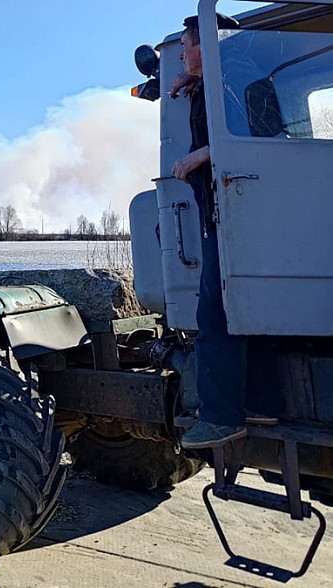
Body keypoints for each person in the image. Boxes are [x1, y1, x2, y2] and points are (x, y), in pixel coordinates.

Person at [170, 15, 259, 450]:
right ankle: (254, 403)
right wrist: (196, 74)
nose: (182, 55)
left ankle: (222, 418)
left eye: (187, 47)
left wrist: (199, 156)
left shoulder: (235, 83)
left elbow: (262, 133)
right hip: (220, 217)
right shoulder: (214, 82)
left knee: (215, 316)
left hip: (235, 217)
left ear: (207, 44)